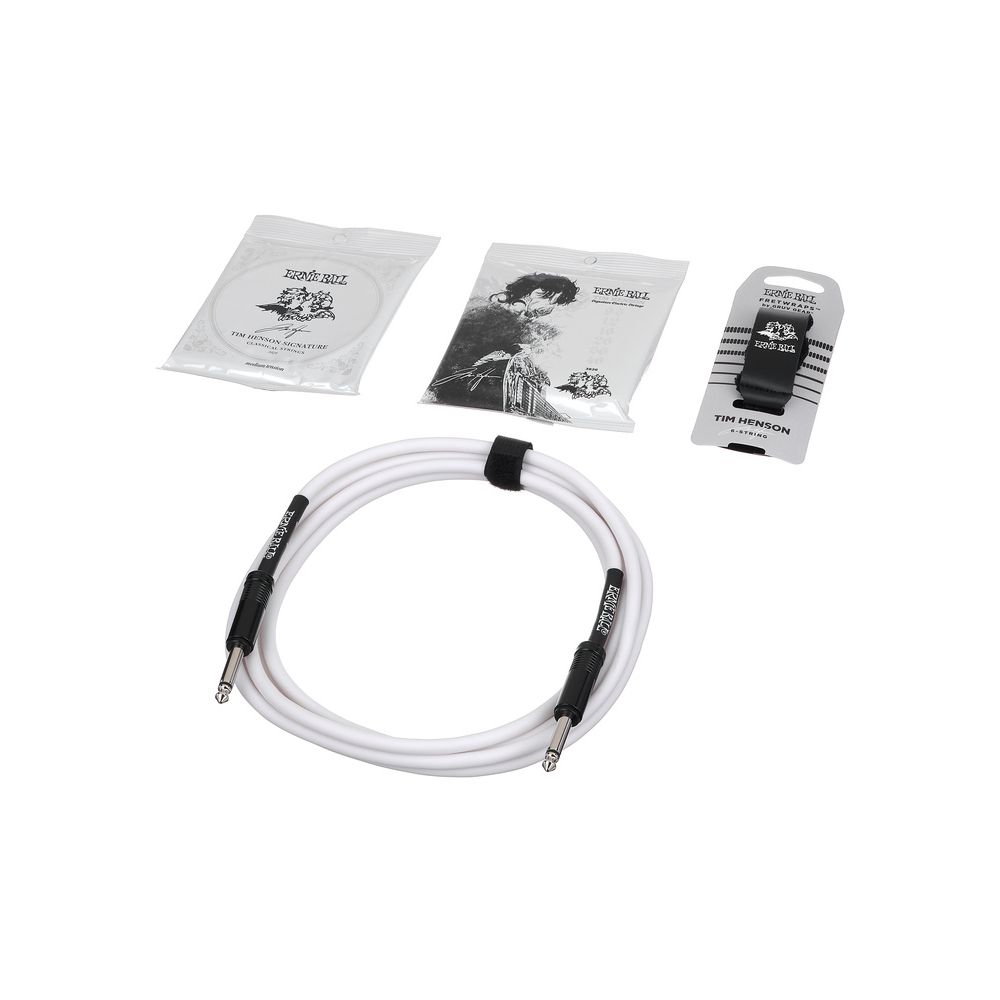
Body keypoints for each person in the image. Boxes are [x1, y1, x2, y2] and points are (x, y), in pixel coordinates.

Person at [426, 273, 578, 414]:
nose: (550, 309)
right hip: (452, 381)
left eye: (556, 304)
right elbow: (478, 345)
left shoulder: (513, 314)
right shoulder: (504, 313)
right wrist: (514, 349)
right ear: (538, 292)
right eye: (553, 302)